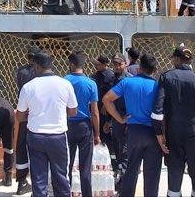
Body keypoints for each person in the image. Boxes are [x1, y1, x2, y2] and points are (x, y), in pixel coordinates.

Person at [152, 45, 195, 197]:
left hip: (174, 137)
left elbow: (157, 113)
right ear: (190, 61)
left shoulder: (166, 77)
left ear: (176, 59)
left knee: (174, 180)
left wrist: (159, 135)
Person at [15, 51, 78, 197]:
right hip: (58, 137)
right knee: (61, 177)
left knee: (39, 180)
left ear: (35, 66)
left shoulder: (28, 87)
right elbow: (73, 111)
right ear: (52, 64)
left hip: (36, 137)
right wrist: (58, 113)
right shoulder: (65, 84)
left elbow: (20, 116)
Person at [103, 54, 161, 197]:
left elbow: (106, 99)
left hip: (133, 131)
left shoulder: (127, 83)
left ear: (140, 67)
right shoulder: (157, 86)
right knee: (152, 173)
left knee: (131, 170)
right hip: (153, 132)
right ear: (154, 70)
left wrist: (120, 119)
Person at [64, 52, 101, 197]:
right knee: (85, 167)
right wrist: (97, 134)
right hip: (85, 126)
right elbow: (95, 112)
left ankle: (66, 192)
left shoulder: (64, 81)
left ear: (71, 64)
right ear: (82, 65)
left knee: (67, 164)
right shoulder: (91, 83)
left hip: (67, 126)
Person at [13, 45, 41, 194]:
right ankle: (38, 181)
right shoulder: (40, 73)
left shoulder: (20, 71)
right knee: (38, 148)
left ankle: (21, 181)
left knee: (21, 146)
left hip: (23, 113)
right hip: (38, 115)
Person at [92, 55, 120, 177]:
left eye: (98, 64)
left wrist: (106, 105)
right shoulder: (95, 76)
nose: (96, 66)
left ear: (105, 64)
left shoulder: (111, 76)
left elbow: (114, 95)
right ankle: (99, 163)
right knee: (98, 137)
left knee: (108, 139)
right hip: (96, 111)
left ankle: (114, 165)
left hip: (107, 113)